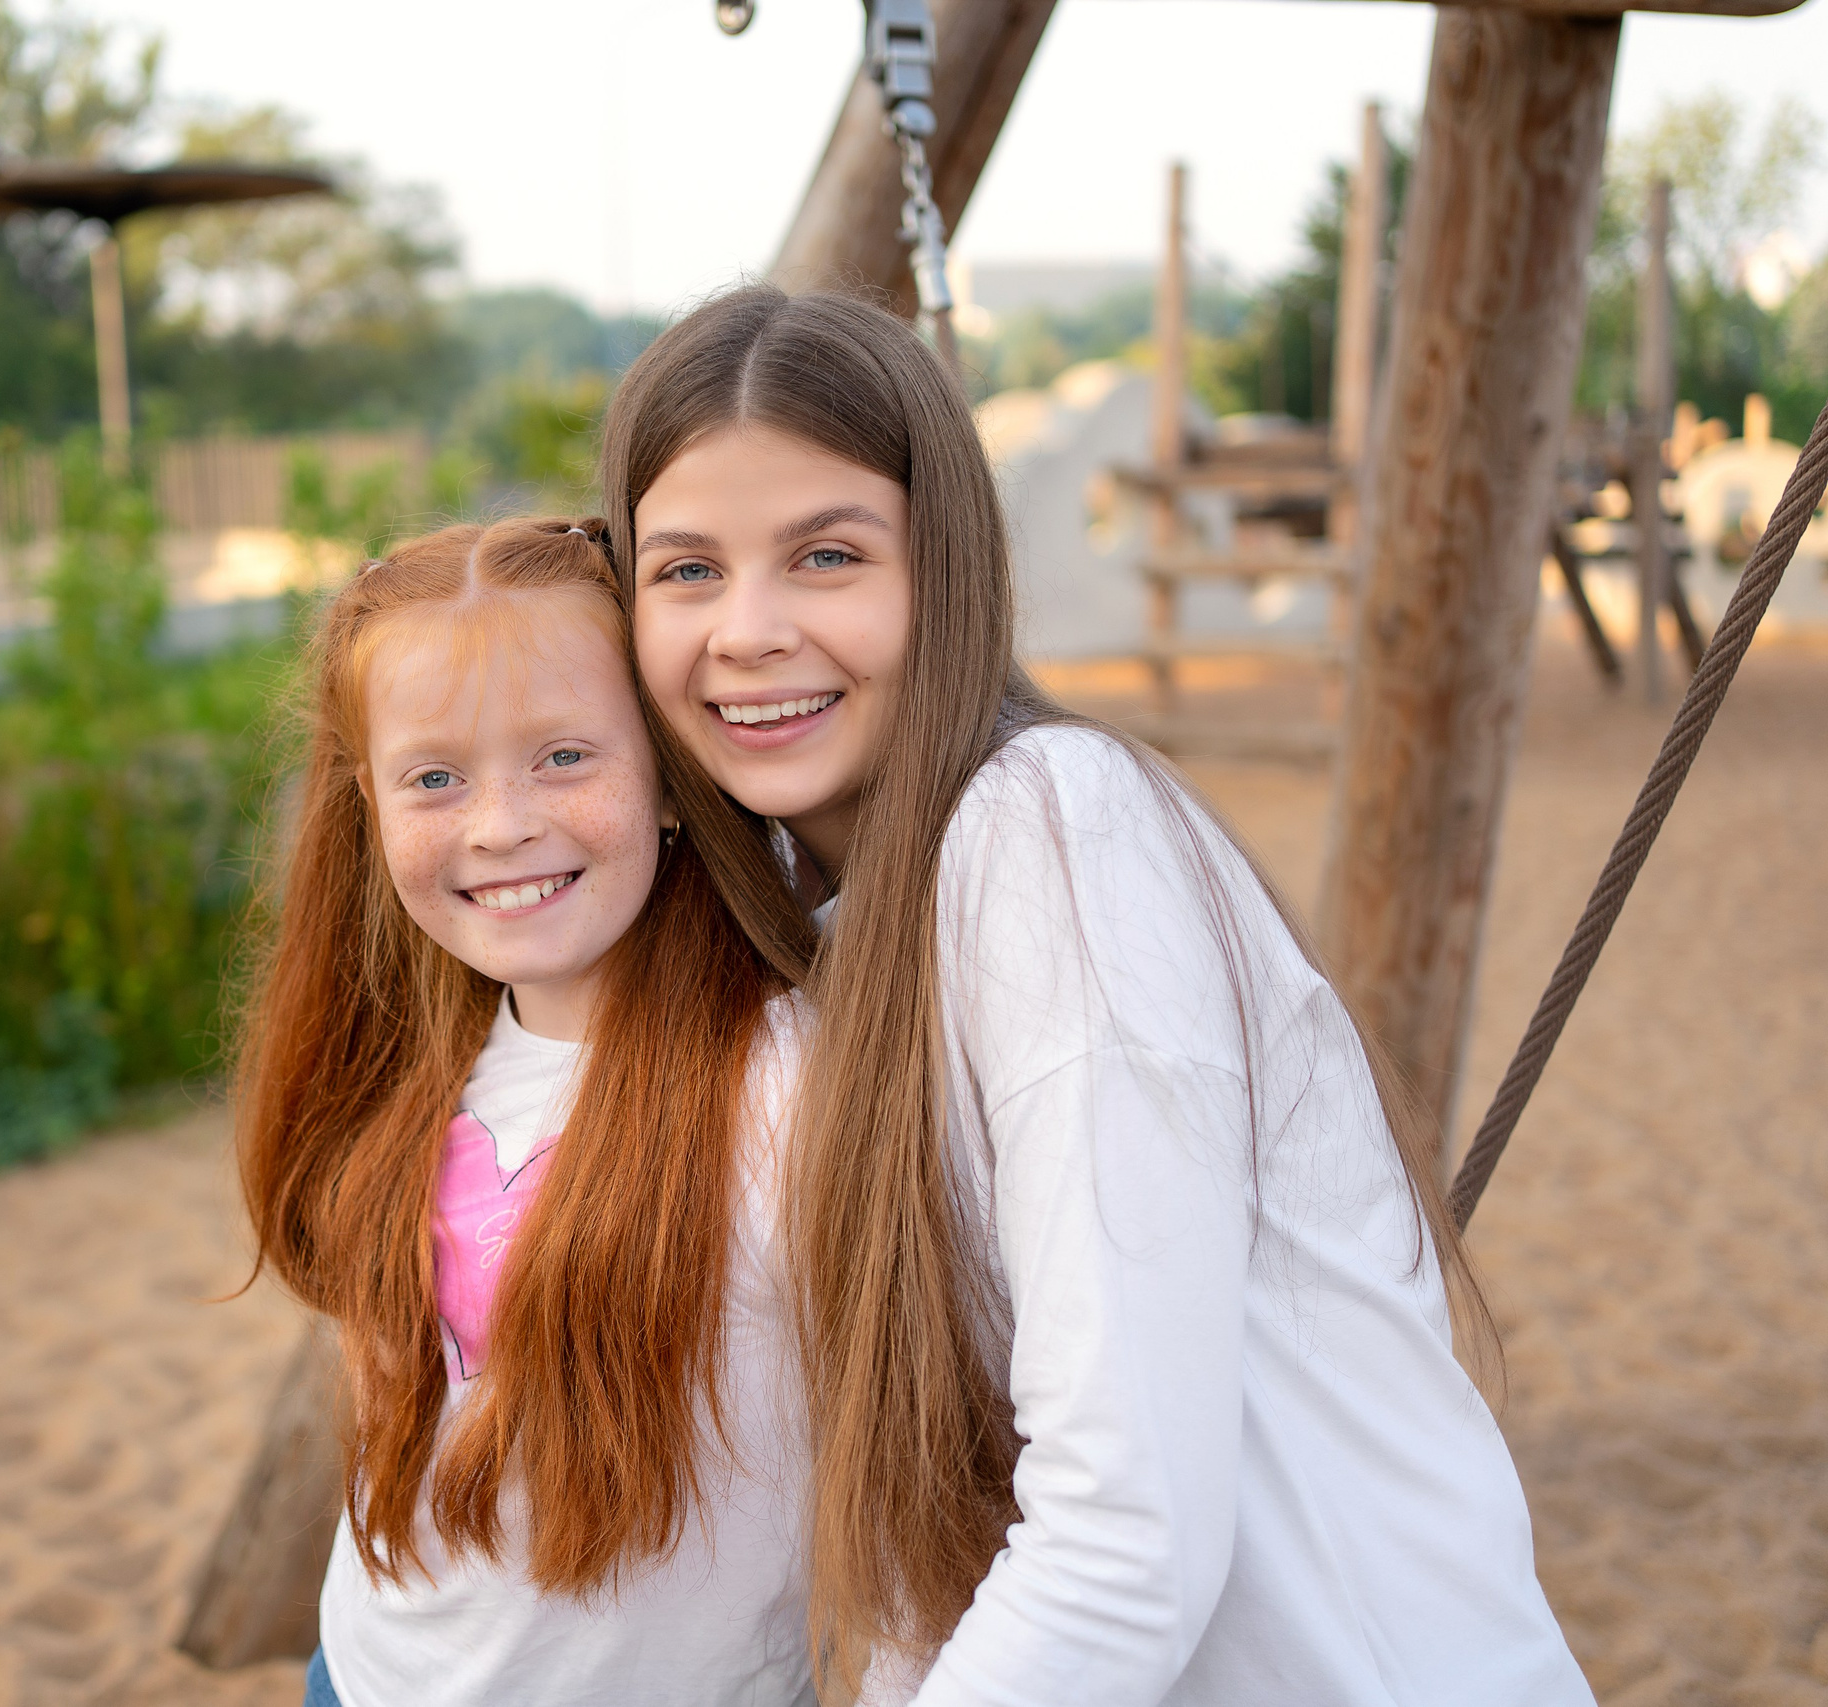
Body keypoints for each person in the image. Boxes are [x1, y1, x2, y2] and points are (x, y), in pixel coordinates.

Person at [601, 286, 1593, 1706]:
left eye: (825, 554)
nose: (747, 628)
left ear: (945, 570)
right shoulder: (806, 934)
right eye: (686, 569)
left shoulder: (1051, 830)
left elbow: (1127, 1533)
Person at [235, 517, 819, 1707]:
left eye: (563, 757)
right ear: (370, 802)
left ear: (667, 775)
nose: (499, 824)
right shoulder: (407, 1067)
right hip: (362, 1676)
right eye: (435, 778)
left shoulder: (786, 1083)